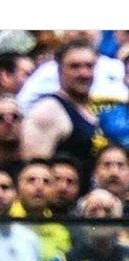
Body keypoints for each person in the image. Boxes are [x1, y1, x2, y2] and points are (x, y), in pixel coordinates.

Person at [21, 40, 107, 184]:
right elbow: (34, 171)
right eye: (75, 66)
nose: (84, 73)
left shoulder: (94, 110)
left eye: (89, 66)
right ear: (60, 70)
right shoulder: (48, 110)